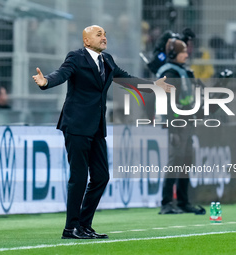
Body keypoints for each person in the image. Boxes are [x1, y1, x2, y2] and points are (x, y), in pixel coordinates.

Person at [33, 25, 173, 239]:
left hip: (97, 127)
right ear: (86, 40)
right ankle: (70, 228)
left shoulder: (107, 60)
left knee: (101, 177)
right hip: (77, 125)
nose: (104, 37)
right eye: (99, 34)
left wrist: (153, 85)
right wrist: (46, 82)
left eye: (105, 34)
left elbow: (127, 80)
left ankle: (83, 225)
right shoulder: (76, 57)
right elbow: (61, 74)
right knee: (79, 178)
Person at [156, 38, 205, 215]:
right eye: (183, 52)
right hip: (177, 122)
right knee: (175, 161)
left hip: (186, 120)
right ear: (173, 54)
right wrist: (173, 126)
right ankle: (167, 202)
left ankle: (183, 201)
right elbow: (168, 102)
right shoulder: (169, 72)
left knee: (185, 161)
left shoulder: (183, 71)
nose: (186, 54)